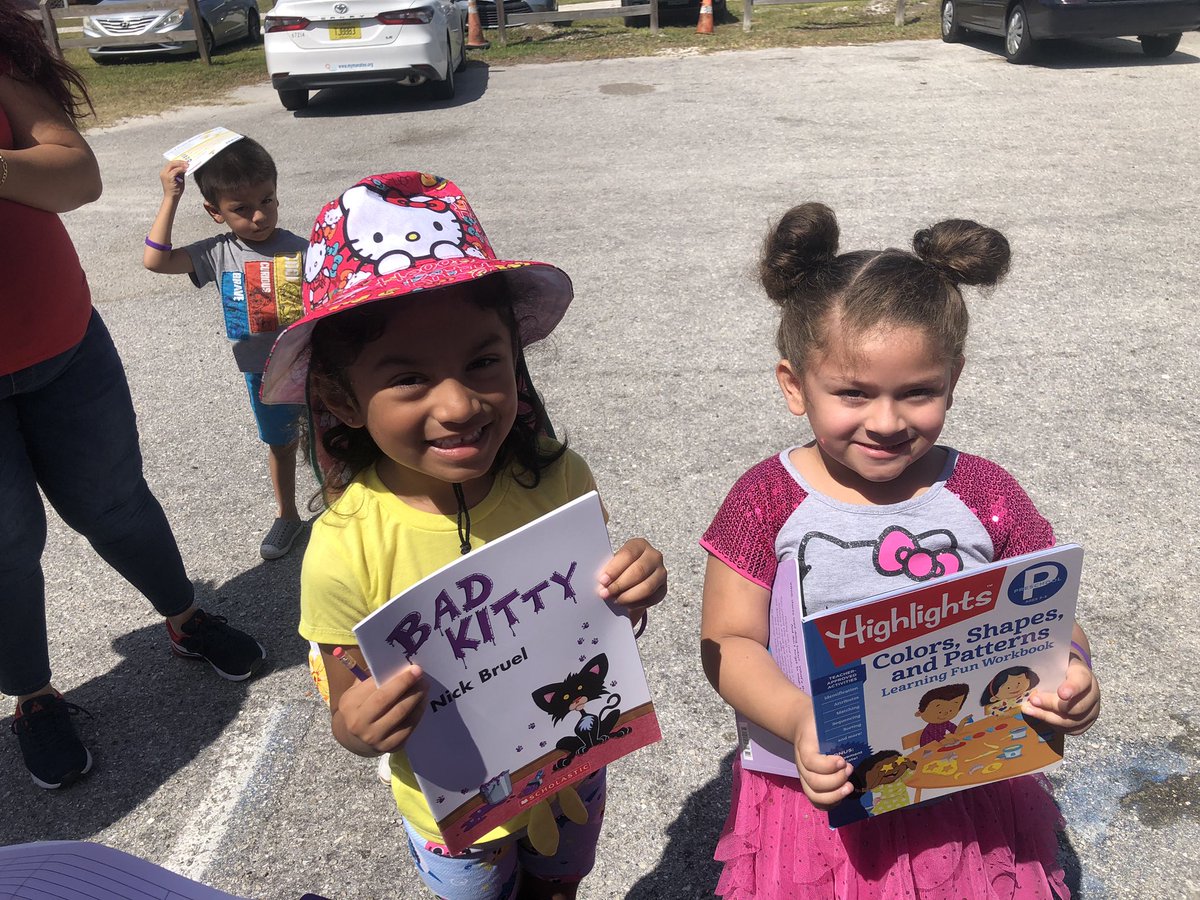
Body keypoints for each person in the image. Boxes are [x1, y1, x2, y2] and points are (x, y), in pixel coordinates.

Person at [259, 172, 668, 900]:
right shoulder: (343, 546)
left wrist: (636, 582)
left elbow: (602, 614)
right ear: (339, 399)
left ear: (516, 356)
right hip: (457, 810)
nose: (458, 404)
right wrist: (357, 725)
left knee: (562, 883)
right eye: (409, 379)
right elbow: (344, 692)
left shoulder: (562, 479)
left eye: (483, 362)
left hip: (575, 757)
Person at [699, 202, 1101, 899]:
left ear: (954, 379)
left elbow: (1048, 614)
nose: (885, 422)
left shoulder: (982, 490)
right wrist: (801, 720)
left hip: (961, 786)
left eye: (917, 393)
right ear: (795, 386)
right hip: (817, 789)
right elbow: (729, 640)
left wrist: (1073, 673)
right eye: (852, 394)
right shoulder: (766, 498)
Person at [0, 4, 266, 791]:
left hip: (61, 342)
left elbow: (77, 176)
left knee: (115, 500)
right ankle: (35, 697)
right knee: (4, 546)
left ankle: (184, 619)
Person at [144, 135, 307, 560]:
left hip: (313, 365)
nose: (259, 215)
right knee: (281, 446)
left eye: (268, 200)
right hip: (263, 373)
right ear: (215, 213)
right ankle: (288, 515)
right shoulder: (216, 253)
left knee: (332, 439)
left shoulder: (303, 248)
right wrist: (170, 198)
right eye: (240, 208)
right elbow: (155, 260)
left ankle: (351, 508)